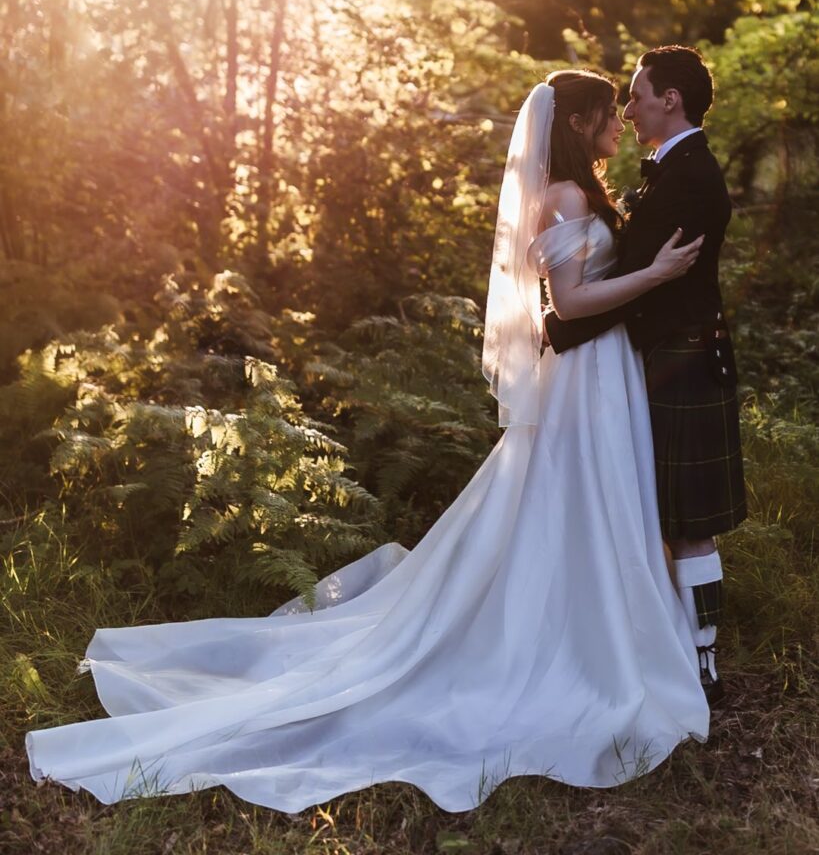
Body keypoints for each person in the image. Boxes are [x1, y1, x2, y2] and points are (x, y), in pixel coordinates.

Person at [26, 70, 710, 815]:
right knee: (580, 500)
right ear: (577, 124)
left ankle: (607, 631)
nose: (620, 122)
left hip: (596, 376)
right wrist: (654, 275)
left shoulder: (585, 193)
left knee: (592, 504)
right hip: (583, 377)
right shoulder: (568, 197)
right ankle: (589, 645)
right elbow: (571, 302)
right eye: (609, 113)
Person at [545, 47, 748, 707]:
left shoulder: (691, 177)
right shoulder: (667, 170)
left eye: (635, 96)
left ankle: (701, 658)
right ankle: (661, 643)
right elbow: (622, 272)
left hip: (680, 360)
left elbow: (638, 280)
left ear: (671, 101)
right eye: (622, 101)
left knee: (688, 522)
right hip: (650, 361)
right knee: (653, 515)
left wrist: (561, 327)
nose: (627, 108)